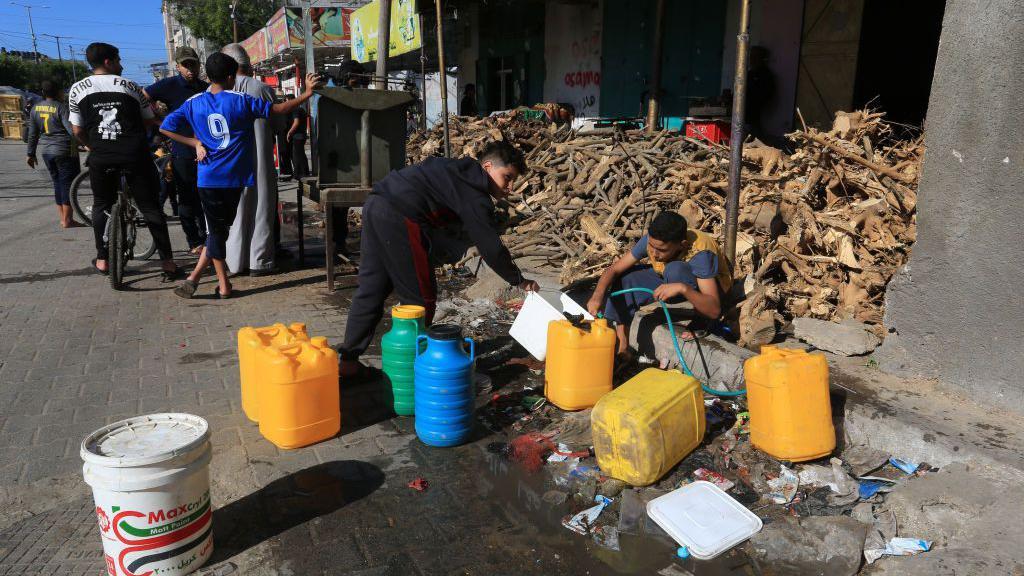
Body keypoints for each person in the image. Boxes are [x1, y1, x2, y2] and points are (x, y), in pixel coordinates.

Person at [338, 140, 539, 379]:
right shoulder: (475, 193)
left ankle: (348, 363)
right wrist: (520, 280)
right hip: (402, 215)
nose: (511, 187)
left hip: (376, 203)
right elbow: (490, 247)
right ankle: (416, 372)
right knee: (420, 300)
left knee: (372, 287)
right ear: (487, 166)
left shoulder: (459, 171)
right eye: (507, 177)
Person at [160, 53, 320, 299]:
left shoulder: (193, 102)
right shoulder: (241, 100)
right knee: (218, 231)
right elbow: (278, 109)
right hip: (235, 178)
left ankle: (202, 279)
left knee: (218, 231)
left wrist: (195, 142)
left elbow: (165, 127)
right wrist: (307, 93)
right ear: (229, 76)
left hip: (207, 178)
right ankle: (218, 284)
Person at [69, 42, 178, 278]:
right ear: (108, 61)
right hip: (134, 155)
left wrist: (92, 146)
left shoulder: (77, 89)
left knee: (101, 205)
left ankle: (102, 260)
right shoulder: (131, 86)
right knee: (150, 207)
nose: (121, 65)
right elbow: (149, 120)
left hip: (101, 156)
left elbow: (77, 130)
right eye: (118, 60)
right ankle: (167, 262)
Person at [587, 212, 732, 359]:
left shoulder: (701, 253)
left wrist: (683, 288)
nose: (654, 254)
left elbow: (714, 309)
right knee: (626, 279)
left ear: (682, 245)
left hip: (707, 286)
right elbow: (614, 269)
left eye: (662, 250)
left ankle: (701, 320)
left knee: (675, 270)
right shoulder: (653, 241)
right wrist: (597, 296)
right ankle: (623, 348)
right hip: (667, 276)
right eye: (651, 246)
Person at [217, 43, 279, 277]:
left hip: (229, 162)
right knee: (261, 207)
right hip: (259, 158)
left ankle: (234, 261)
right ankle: (259, 261)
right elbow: (277, 123)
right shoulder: (260, 88)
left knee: (235, 210)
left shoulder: (217, 93)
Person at [145, 46, 209, 254]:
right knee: (187, 198)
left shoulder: (205, 87)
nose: (190, 69)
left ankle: (207, 237)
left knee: (206, 196)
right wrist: (157, 121)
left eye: (194, 64)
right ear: (178, 66)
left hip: (207, 151)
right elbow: (144, 97)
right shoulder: (168, 85)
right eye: (186, 65)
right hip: (182, 151)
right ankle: (194, 241)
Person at [26, 79, 81, 228]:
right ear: (58, 92)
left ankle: (63, 218)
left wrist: (30, 154)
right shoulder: (61, 108)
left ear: (43, 93)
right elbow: (71, 130)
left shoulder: (35, 109)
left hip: (47, 152)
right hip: (65, 151)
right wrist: (84, 143)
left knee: (57, 183)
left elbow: (32, 134)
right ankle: (68, 220)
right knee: (68, 184)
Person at [286, 100, 309, 179]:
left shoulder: (296, 110)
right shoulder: (301, 109)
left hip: (298, 136)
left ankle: (302, 173)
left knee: (298, 155)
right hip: (302, 135)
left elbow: (296, 122)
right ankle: (301, 172)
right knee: (300, 154)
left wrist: (289, 132)